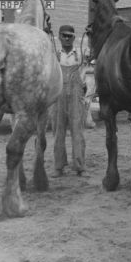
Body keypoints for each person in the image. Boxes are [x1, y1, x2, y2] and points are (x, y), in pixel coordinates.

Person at [53, 25, 86, 177]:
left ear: (74, 37)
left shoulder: (80, 53)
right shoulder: (55, 55)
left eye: (69, 36)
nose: (67, 39)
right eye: (64, 36)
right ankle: (59, 167)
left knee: (77, 131)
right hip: (58, 96)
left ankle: (79, 167)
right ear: (59, 37)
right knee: (58, 132)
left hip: (75, 96)